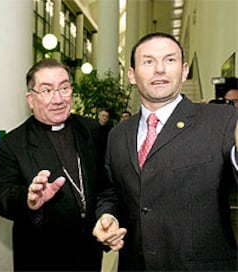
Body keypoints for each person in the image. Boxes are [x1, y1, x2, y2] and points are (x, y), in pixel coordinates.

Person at [97, 32, 238, 270]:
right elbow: (112, 192)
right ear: (131, 75)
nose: (160, 69)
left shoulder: (223, 122)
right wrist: (107, 217)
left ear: (184, 71)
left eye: (170, 60)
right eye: (148, 61)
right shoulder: (118, 135)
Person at [0, 58, 126, 271]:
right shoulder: (14, 142)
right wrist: (28, 198)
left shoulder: (92, 131)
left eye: (64, 88)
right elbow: (0, 196)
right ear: (31, 99)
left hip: (89, 255)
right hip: (41, 257)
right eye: (46, 91)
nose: (58, 99)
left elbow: (107, 187)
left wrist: (107, 216)